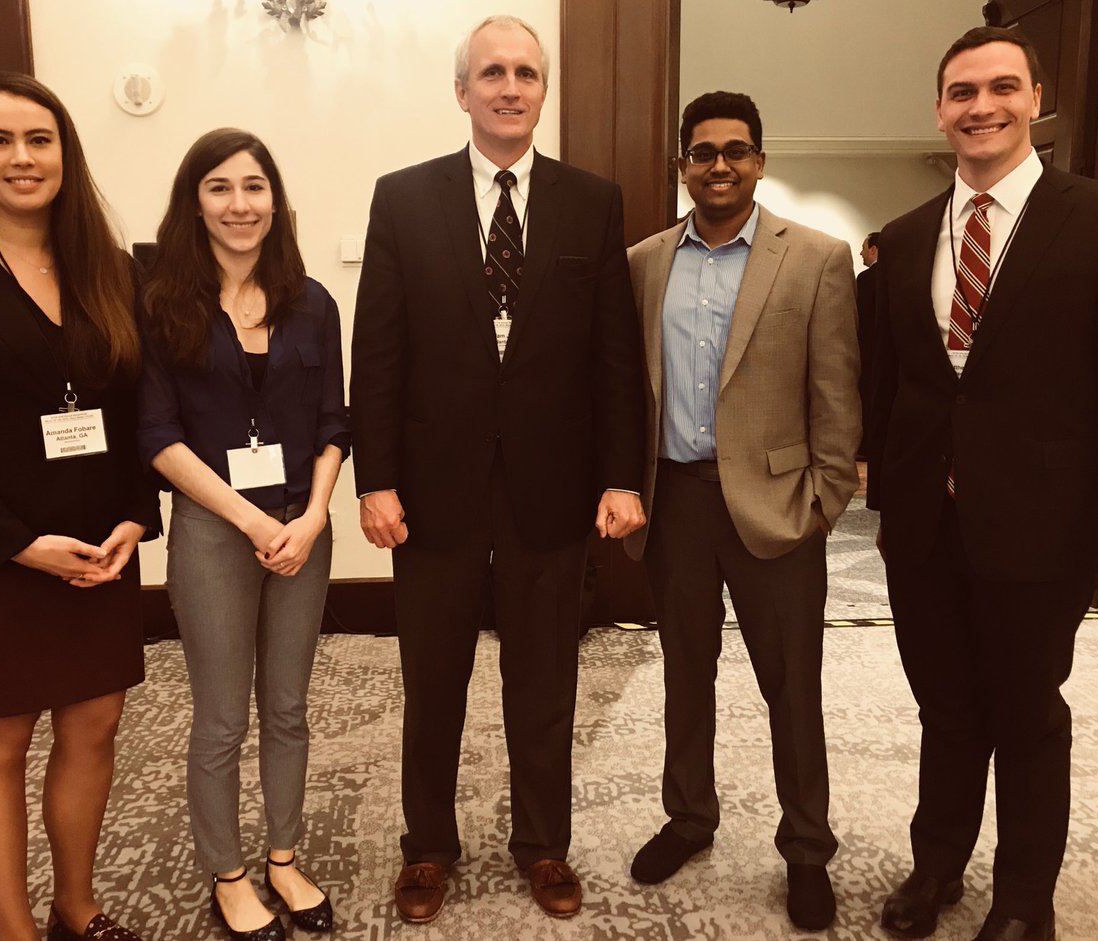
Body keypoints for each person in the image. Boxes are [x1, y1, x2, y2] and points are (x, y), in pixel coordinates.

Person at [350, 14, 645, 923]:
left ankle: (542, 845)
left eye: (525, 72)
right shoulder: (403, 198)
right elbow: (381, 351)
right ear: (463, 90)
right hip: (431, 495)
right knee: (433, 683)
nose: (510, 86)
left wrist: (622, 475)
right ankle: (427, 848)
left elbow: (614, 357)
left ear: (542, 89)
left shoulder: (591, 201)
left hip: (552, 495)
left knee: (545, 684)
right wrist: (375, 478)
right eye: (492, 72)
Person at [867, 27, 1098, 941]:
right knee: (945, 704)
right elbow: (891, 384)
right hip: (924, 529)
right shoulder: (901, 241)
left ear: (1035, 99)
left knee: (1026, 711)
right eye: (962, 91)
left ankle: (1024, 897)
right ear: (939, 110)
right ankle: (937, 863)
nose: (982, 106)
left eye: (1001, 88)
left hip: (1042, 523)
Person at [623, 91, 860, 932]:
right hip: (675, 500)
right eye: (702, 151)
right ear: (682, 165)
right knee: (686, 673)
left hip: (778, 506)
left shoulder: (819, 259)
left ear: (761, 160)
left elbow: (837, 393)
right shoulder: (644, 260)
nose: (718, 164)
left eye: (736, 150)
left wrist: (825, 500)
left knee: (792, 687)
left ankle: (806, 847)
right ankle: (690, 817)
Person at [0, 72, 158, 941]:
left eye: (40, 139)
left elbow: (143, 405)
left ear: (65, 152)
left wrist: (136, 516)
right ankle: (16, 932)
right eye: (1, 140)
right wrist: (19, 542)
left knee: (93, 723)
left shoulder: (110, 265)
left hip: (100, 544)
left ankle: (76, 906)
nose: (23, 158)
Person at [137, 128, 348, 941]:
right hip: (217, 532)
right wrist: (255, 518)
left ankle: (284, 858)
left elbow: (335, 419)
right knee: (222, 716)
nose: (239, 204)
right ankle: (229, 872)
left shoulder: (313, 301)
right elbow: (158, 434)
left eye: (254, 186)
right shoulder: (160, 302)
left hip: (304, 527)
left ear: (275, 200)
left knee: (289, 708)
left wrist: (315, 514)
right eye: (220, 187)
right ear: (196, 201)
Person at [857, 230, 881, 460]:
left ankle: (864, 446)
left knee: (864, 398)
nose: (861, 252)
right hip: (888, 353)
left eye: (864, 247)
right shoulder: (899, 276)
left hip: (866, 352)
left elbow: (859, 318)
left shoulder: (865, 280)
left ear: (874, 249)